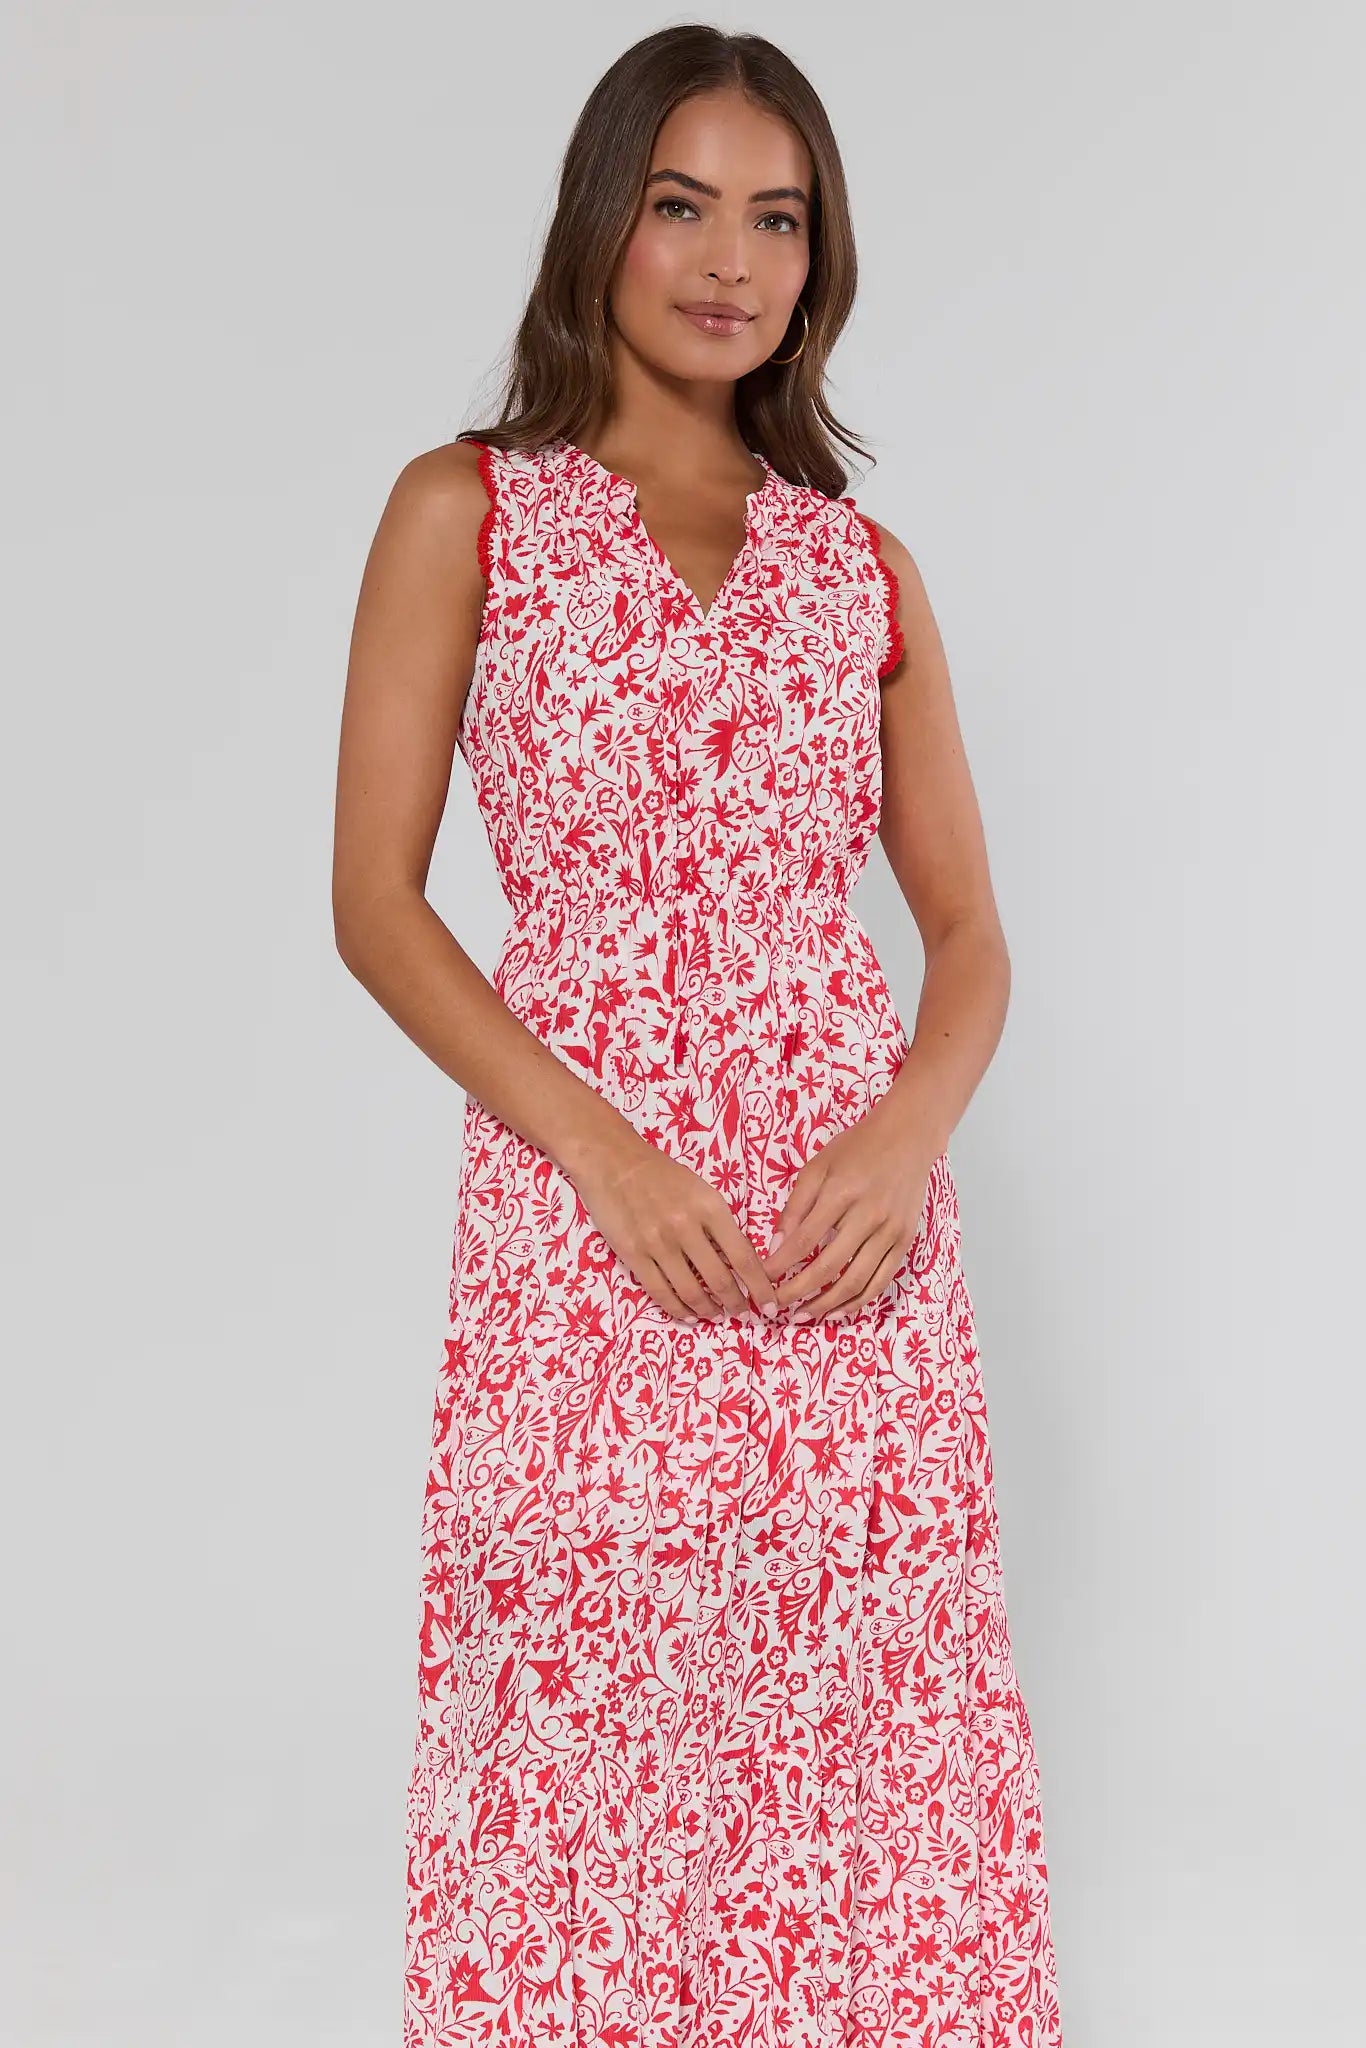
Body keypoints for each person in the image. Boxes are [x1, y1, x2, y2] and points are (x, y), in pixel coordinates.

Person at [333, 24, 1064, 2047]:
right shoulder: (466, 511)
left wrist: (905, 1137)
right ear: (602, 219)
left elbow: (965, 930)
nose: (730, 260)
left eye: (777, 217)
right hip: (588, 1208)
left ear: (819, 259)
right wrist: (602, 1151)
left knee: (859, 1704)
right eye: (680, 205)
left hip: (842, 1230)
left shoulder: (859, 568)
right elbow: (375, 905)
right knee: (582, 1686)